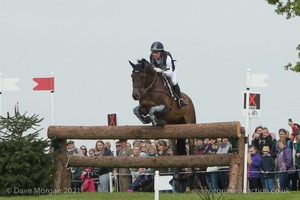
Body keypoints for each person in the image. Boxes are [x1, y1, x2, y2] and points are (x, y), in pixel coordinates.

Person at [149, 41, 188, 108]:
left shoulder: (167, 58)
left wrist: (161, 70)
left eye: (156, 52)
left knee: (173, 82)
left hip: (171, 72)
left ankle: (180, 100)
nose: (154, 54)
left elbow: (169, 72)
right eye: (153, 52)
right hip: (160, 72)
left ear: (161, 52)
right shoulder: (151, 58)